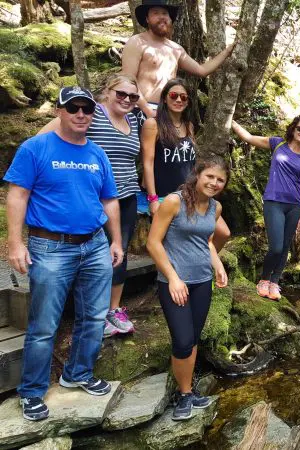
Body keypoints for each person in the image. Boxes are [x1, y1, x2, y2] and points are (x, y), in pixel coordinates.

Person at [4, 87, 122, 421]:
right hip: (50, 246)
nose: (81, 114)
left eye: (87, 109)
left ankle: (78, 374)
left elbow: (109, 200)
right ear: (60, 110)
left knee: (95, 317)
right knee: (44, 325)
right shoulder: (35, 148)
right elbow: (17, 196)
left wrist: (116, 242)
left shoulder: (97, 153)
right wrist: (15, 243)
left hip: (95, 244)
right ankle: (32, 391)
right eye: (74, 108)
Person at [38, 74, 141, 338]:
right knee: (91, 255)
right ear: (107, 92)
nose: (126, 100)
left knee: (120, 252)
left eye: (133, 96)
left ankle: (113, 310)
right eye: (121, 94)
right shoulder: (91, 114)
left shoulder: (134, 120)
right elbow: (43, 138)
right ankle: (88, 313)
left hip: (126, 197)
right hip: (91, 198)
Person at [146, 158, 229, 421]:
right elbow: (153, 243)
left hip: (202, 281)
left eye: (220, 180)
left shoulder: (215, 207)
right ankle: (183, 394)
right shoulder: (174, 201)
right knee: (182, 341)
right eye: (210, 177)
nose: (214, 183)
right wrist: (172, 277)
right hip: (175, 283)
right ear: (198, 175)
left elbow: (206, 241)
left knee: (192, 339)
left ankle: (187, 390)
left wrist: (217, 265)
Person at [230, 116, 300, 300]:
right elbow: (248, 138)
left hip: (294, 206)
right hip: (274, 202)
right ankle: (263, 280)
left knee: (285, 247)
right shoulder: (277, 144)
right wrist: (231, 121)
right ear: (293, 129)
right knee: (276, 247)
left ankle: (275, 283)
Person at [141, 78, 229, 252]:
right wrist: (152, 199)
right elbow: (148, 163)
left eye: (184, 97)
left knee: (223, 233)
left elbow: (192, 162)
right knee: (170, 246)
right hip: (164, 196)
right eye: (174, 95)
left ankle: (206, 264)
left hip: (189, 194)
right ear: (165, 98)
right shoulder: (153, 125)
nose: (179, 100)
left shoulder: (188, 126)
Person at [121, 0, 233, 124]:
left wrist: (228, 51)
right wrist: (147, 110)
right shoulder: (137, 42)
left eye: (165, 13)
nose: (162, 17)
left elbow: (202, 70)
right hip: (139, 108)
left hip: (167, 112)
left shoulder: (176, 49)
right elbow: (128, 80)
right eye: (155, 13)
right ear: (147, 19)